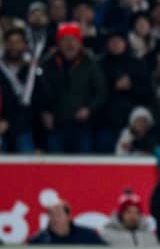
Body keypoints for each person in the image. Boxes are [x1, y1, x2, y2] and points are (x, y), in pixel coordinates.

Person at [38, 22, 107, 153]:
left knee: (82, 167)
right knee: (56, 167)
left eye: (73, 39)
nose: (70, 44)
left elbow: (101, 92)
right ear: (58, 43)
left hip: (82, 126)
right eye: (65, 39)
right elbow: (39, 92)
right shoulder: (47, 64)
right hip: (55, 125)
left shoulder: (90, 63)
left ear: (80, 42)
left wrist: (89, 108)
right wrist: (44, 112)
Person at [0, 28, 37, 153]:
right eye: (10, 42)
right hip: (1, 127)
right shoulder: (1, 69)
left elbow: (38, 101)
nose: (14, 46)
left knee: (28, 169)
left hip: (24, 128)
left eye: (18, 42)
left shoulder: (32, 70)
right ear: (4, 44)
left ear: (24, 45)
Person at [28, 201, 106, 245]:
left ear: (68, 217)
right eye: (51, 214)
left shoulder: (88, 236)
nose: (55, 218)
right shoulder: (38, 241)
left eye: (58, 214)